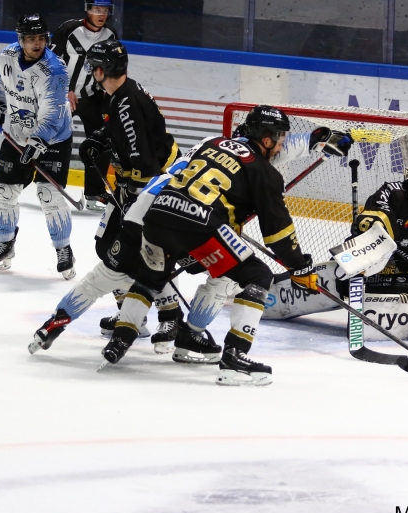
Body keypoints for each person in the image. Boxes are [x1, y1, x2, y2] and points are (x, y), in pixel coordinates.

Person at [100, 105, 320, 386]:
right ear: (266, 139)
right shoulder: (265, 172)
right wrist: (299, 266)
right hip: (200, 225)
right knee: (257, 275)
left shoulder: (215, 143)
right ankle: (235, 355)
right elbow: (277, 233)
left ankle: (119, 340)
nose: (280, 147)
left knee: (149, 278)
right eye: (279, 140)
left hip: (158, 214)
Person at [28, 39, 184, 356]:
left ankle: (171, 317)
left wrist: (135, 204)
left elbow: (144, 162)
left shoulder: (126, 103)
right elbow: (126, 133)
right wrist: (100, 140)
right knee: (106, 245)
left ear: (101, 70)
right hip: (137, 183)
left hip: (153, 186)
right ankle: (132, 312)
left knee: (148, 251)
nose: (90, 72)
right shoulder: (121, 94)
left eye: (91, 68)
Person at [262, 154, 408, 333]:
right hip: (369, 269)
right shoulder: (392, 192)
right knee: (349, 266)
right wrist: (361, 257)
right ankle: (267, 295)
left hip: (405, 279)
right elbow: (372, 224)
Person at [0, 13, 76, 279]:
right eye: (31, 39)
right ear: (20, 40)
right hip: (17, 133)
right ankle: (5, 244)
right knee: (4, 191)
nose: (37, 44)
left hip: (54, 137)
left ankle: (63, 249)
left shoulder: (55, 70)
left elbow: (53, 112)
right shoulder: (7, 56)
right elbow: (4, 86)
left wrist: (40, 140)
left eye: (41, 38)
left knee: (50, 196)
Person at [50, 0, 117, 211]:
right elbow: (50, 62)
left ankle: (94, 192)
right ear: (87, 10)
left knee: (102, 142)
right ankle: (51, 187)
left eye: (105, 10)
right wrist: (63, 89)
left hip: (92, 98)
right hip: (63, 97)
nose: (101, 14)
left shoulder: (110, 35)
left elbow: (111, 67)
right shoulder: (69, 29)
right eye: (97, 10)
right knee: (58, 143)